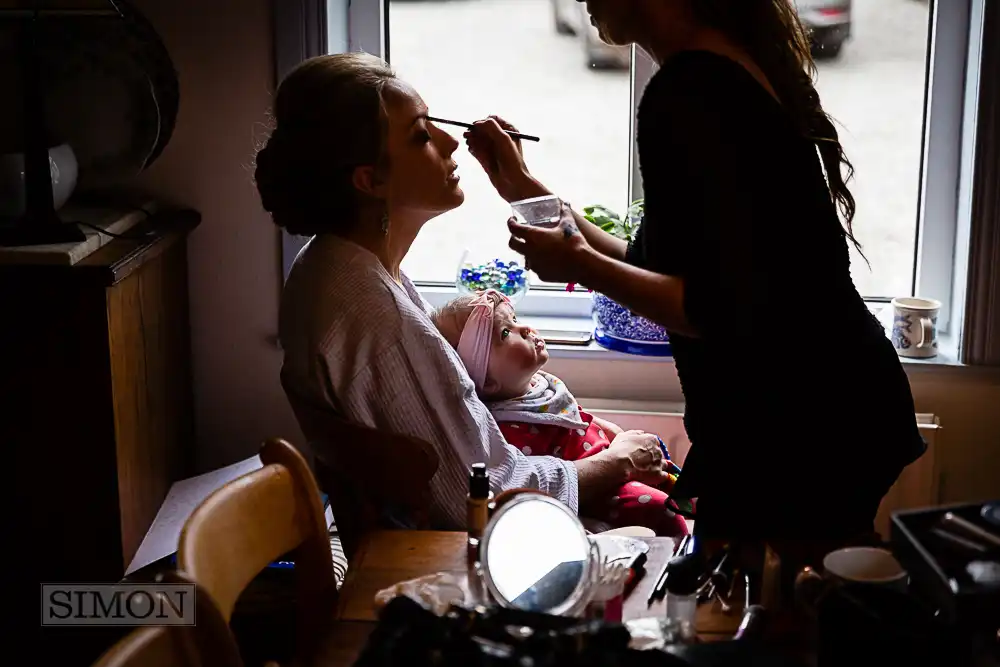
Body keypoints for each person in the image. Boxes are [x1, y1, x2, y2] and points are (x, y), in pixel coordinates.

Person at [463, 0, 926, 541]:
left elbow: (712, 307)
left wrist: (578, 265)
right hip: (834, 400)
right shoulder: (723, 68)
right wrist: (527, 191)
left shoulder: (689, 92)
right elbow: (660, 267)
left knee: (785, 607)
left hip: (803, 420)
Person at [257, 53, 670, 530]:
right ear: (370, 180)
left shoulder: (329, 265)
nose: (451, 142)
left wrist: (519, 185)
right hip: (453, 563)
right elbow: (483, 501)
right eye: (421, 136)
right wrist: (618, 461)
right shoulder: (378, 318)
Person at [433, 289, 691, 536]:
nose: (525, 329)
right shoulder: (508, 427)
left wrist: (612, 432)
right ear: (487, 382)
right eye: (505, 333)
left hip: (610, 457)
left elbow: (573, 415)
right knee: (661, 508)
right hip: (598, 489)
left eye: (515, 319)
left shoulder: (539, 385)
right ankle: (679, 569)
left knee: (680, 482)